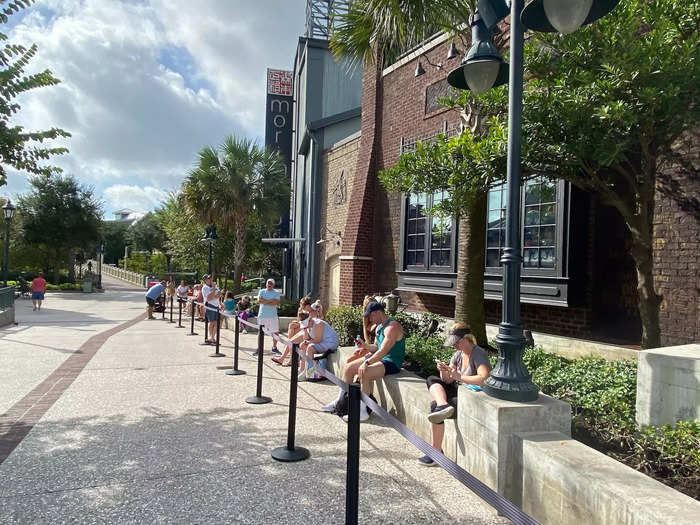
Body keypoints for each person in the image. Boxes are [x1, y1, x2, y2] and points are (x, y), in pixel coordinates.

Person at [417, 323, 491, 467]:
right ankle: (442, 405)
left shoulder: (478, 353)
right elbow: (447, 380)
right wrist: (444, 370)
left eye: (457, 342)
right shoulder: (458, 355)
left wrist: (459, 377)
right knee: (432, 379)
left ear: (466, 339)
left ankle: (436, 452)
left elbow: (484, 378)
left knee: (433, 408)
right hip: (457, 390)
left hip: (470, 396)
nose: (455, 346)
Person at [322, 301, 405, 422]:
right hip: (381, 358)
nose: (369, 319)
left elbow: (383, 351)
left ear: (378, 313)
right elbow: (376, 347)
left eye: (371, 316)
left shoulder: (392, 327)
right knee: (349, 368)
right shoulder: (380, 327)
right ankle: (339, 402)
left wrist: (366, 363)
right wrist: (365, 345)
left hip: (391, 362)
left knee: (365, 372)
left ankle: (362, 411)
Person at [297, 308, 339, 381]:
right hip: (322, 342)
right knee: (302, 345)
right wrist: (305, 329)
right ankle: (303, 369)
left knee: (310, 348)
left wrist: (307, 342)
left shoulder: (318, 324)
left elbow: (317, 339)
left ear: (310, 320)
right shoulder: (308, 325)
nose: (306, 326)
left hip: (331, 343)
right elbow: (306, 338)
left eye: (306, 324)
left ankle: (309, 373)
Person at [272, 296, 312, 365]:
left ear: (307, 305)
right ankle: (287, 357)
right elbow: (299, 320)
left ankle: (287, 357)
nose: (300, 305)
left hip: (308, 329)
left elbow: (310, 323)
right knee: (292, 327)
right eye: (300, 304)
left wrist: (298, 323)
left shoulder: (311, 311)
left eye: (302, 304)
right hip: (302, 327)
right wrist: (297, 322)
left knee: (291, 329)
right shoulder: (300, 309)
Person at [255, 278, 281, 357]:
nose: (269, 284)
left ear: (273, 284)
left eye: (271, 283)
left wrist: (265, 301)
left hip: (273, 316)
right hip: (262, 315)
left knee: (276, 332)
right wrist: (271, 300)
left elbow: (276, 302)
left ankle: (274, 347)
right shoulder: (262, 291)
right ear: (266, 284)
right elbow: (259, 300)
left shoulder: (276, 292)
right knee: (260, 332)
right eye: (268, 283)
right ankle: (259, 348)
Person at [201, 275, 221, 344]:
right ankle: (211, 337)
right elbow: (209, 298)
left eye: (210, 278)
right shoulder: (205, 288)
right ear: (205, 280)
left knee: (216, 323)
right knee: (212, 322)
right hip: (210, 306)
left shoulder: (214, 285)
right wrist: (214, 289)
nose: (210, 280)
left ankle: (212, 337)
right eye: (209, 279)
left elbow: (219, 294)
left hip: (216, 306)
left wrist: (214, 294)